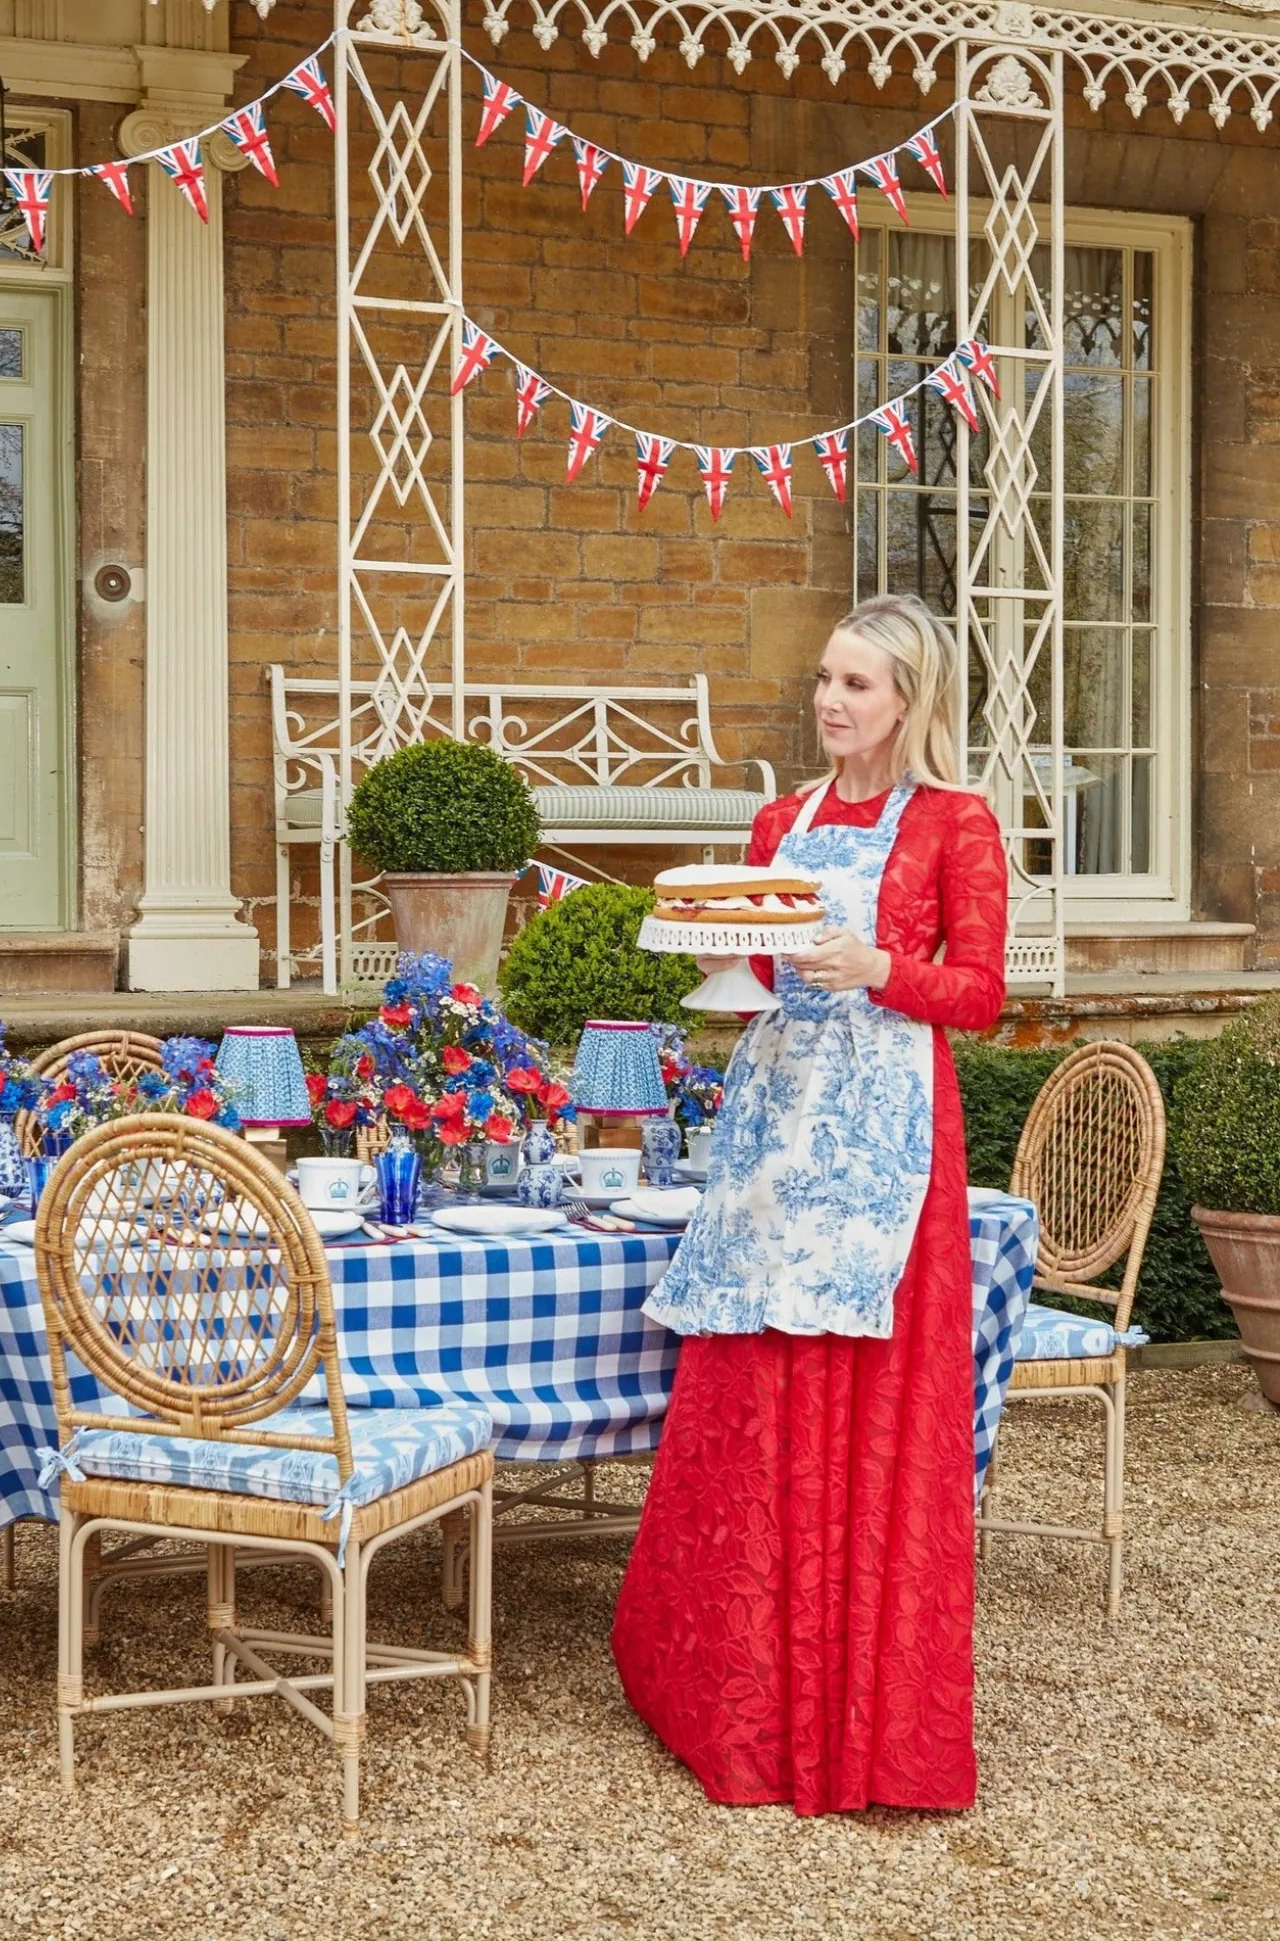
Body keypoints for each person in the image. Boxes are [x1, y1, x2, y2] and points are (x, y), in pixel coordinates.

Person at [612, 592, 1008, 1815]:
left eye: (856, 686)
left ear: (909, 703)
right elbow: (747, 962)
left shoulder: (955, 824)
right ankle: (733, 1697)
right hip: (773, 1132)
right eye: (825, 680)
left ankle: (857, 1718)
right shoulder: (776, 818)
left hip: (888, 1146)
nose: (830, 703)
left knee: (865, 1399)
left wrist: (883, 968)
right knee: (758, 1382)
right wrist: (728, 967)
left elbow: (982, 994)